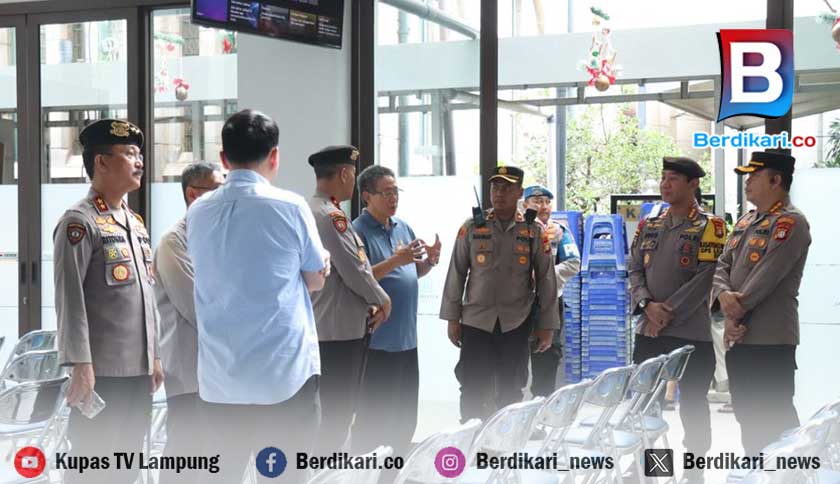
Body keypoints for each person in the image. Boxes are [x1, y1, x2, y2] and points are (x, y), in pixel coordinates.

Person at [187, 110, 329, 483]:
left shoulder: (197, 211)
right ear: (274, 156)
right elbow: (315, 280)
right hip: (282, 379)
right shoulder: (290, 206)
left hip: (219, 380)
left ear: (223, 158)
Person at [53, 118, 164, 484]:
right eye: (129, 153)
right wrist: (81, 365)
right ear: (100, 162)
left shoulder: (134, 222)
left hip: (138, 372)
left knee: (127, 466)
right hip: (101, 374)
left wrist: (155, 356)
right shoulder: (79, 222)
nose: (139, 162)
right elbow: (70, 301)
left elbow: (146, 295)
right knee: (93, 467)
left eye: (139, 154)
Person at [628, 157, 725, 484]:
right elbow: (634, 269)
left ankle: (694, 473)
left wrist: (665, 311)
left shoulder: (711, 226)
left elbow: (707, 276)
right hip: (649, 332)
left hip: (692, 334)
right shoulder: (650, 224)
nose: (665, 184)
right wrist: (647, 304)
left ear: (693, 184)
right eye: (663, 178)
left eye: (673, 179)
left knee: (693, 405)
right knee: (647, 405)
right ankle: (655, 470)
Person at [711, 150, 811, 456]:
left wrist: (734, 313)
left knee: (775, 419)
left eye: (754, 176)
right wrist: (723, 296)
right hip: (740, 339)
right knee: (747, 415)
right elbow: (722, 265)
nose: (748, 182)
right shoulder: (745, 221)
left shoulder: (791, 223)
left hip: (770, 339)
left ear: (776, 180)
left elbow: (766, 275)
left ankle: (791, 475)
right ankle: (756, 471)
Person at [440, 166, 559, 422]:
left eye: (507, 188)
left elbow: (547, 280)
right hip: (475, 321)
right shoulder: (472, 227)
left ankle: (507, 441)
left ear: (519, 192)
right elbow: (456, 273)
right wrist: (452, 318)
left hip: (516, 321)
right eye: (495, 187)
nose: (499, 193)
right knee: (472, 387)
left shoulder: (533, 230)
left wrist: (547, 325)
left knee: (511, 390)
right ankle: (471, 439)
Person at [350, 165, 441, 457]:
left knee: (404, 416)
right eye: (386, 193)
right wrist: (396, 260)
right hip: (377, 342)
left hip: (407, 340)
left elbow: (411, 273)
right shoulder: (356, 231)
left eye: (396, 192)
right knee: (374, 419)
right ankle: (366, 473)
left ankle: (396, 471)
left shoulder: (402, 226)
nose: (394, 198)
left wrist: (429, 262)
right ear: (367, 196)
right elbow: (359, 278)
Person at [308, 146, 392, 454]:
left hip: (329, 327)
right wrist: (383, 300)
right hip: (338, 332)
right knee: (337, 416)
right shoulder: (331, 217)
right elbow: (355, 270)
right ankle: (327, 470)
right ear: (344, 173)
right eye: (353, 174)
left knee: (332, 415)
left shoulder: (313, 209)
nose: (353, 181)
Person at [153, 162, 223, 484]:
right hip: (189, 371)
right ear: (193, 194)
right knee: (185, 457)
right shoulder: (174, 242)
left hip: (220, 371)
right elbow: (197, 307)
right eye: (218, 190)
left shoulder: (221, 238)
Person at [523, 185, 581, 397]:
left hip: (549, 304)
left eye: (547, 202)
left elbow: (573, 263)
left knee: (547, 358)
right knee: (514, 360)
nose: (544, 206)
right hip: (517, 304)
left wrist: (544, 277)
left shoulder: (559, 231)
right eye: (538, 201)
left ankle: (542, 406)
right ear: (525, 205)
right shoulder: (516, 230)